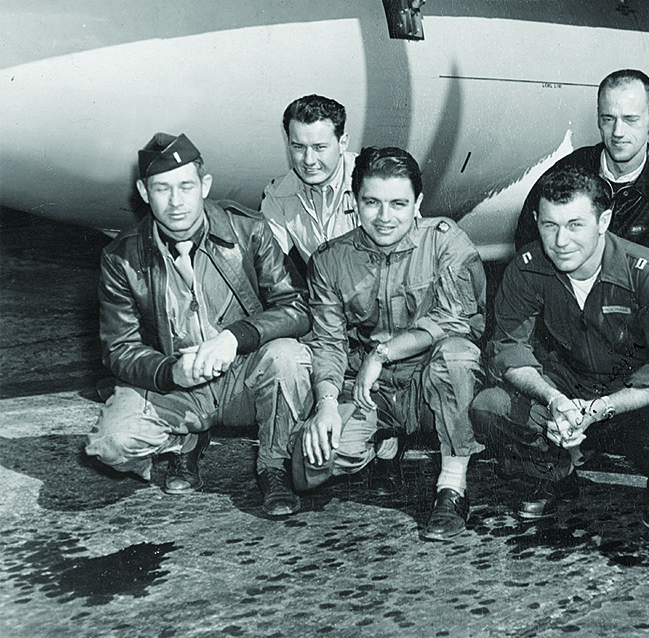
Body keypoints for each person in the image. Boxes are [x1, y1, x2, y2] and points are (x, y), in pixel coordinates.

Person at [86, 133, 313, 518]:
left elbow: (296, 308)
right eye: (162, 188)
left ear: (205, 186)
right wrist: (170, 370)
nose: (176, 202)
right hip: (178, 387)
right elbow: (118, 349)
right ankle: (184, 443)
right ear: (144, 191)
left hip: (244, 376)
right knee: (111, 443)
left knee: (288, 358)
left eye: (186, 186)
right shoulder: (121, 257)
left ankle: (273, 467)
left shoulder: (249, 230)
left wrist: (235, 337)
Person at [472, 164, 649, 531]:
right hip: (569, 389)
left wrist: (604, 407)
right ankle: (550, 473)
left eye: (575, 225)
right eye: (550, 225)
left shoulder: (646, 271)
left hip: (633, 395)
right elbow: (507, 348)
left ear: (604, 221)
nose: (561, 241)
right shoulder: (528, 267)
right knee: (490, 407)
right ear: (536, 220)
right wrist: (552, 398)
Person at [295, 146, 487, 541]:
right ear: (355, 202)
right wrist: (327, 405)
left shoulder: (444, 241)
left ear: (418, 203)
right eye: (372, 203)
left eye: (398, 203)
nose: (384, 217)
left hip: (427, 383)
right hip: (371, 392)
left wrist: (383, 353)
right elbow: (328, 341)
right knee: (306, 468)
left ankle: (452, 487)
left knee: (457, 355)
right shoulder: (331, 260)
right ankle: (385, 444)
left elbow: (458, 318)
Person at [515, 69, 649, 303]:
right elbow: (528, 247)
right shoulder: (567, 170)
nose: (617, 132)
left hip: (633, 320)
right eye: (608, 119)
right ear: (598, 118)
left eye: (630, 119)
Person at [261, 95, 358, 271]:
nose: (309, 160)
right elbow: (273, 269)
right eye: (298, 147)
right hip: (323, 296)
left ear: (343, 143)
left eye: (319, 147)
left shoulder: (376, 182)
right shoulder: (278, 195)